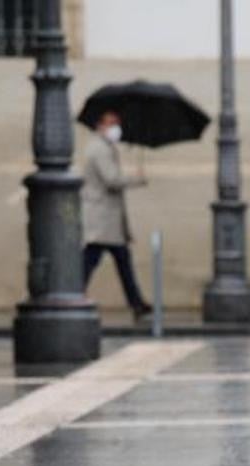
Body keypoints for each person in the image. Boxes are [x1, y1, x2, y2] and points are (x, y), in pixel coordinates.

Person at [81, 110, 152, 321]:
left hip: (107, 219)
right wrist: (136, 179)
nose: (116, 127)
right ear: (100, 125)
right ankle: (73, 295)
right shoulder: (99, 149)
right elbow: (111, 179)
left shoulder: (103, 147)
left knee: (117, 259)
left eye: (117, 123)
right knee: (92, 259)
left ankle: (137, 302)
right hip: (102, 218)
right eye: (111, 123)